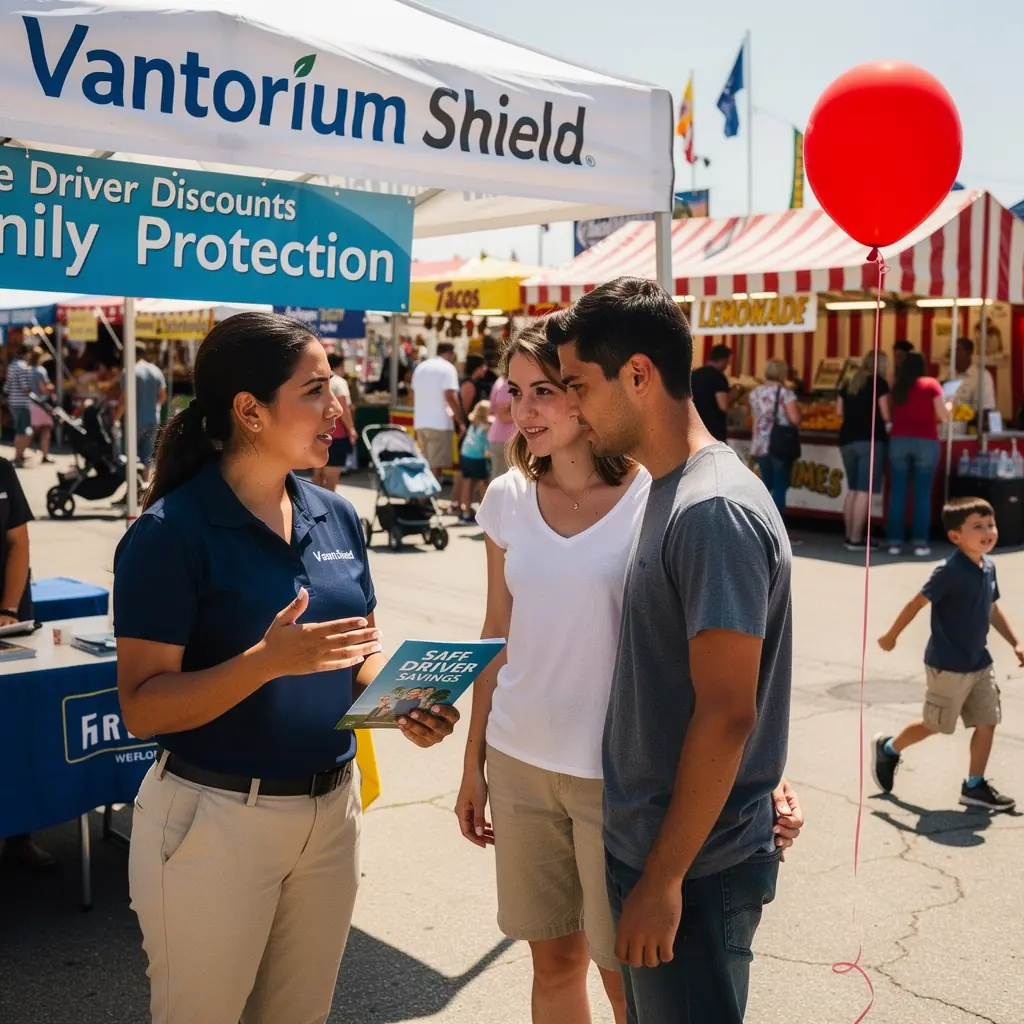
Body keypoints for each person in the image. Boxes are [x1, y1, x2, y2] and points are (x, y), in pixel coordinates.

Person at [112, 312, 459, 1024]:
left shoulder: (335, 514)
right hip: (213, 822)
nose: (338, 406)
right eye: (315, 390)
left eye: (334, 387)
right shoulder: (168, 534)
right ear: (249, 411)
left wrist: (404, 705)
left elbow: (354, 656)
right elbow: (143, 708)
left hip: (331, 815)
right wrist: (264, 664)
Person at [458, 315, 801, 1024]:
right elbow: (497, 632)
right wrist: (472, 763)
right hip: (521, 760)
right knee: (554, 966)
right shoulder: (506, 499)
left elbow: (714, 670)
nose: (523, 412)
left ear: (590, 396)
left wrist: (764, 775)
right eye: (513, 392)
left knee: (629, 985)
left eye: (550, 389)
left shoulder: (664, 494)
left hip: (616, 780)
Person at [552, 277, 794, 1024]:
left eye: (577, 387)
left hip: (694, 868)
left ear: (637, 375)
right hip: (668, 852)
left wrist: (661, 879)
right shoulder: (674, 487)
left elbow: (727, 713)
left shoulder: (710, 507)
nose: (571, 409)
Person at [875, 496, 1022, 812]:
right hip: (948, 666)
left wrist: (1016, 642)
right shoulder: (949, 571)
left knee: (987, 720)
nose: (988, 531)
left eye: (991, 524)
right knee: (936, 725)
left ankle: (974, 785)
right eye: (978, 526)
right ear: (955, 536)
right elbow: (917, 603)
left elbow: (992, 608)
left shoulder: (988, 565)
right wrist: (891, 636)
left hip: (980, 662)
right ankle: (889, 748)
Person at [0, 454, 54, 872]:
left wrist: (8, 610)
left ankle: (19, 835)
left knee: (16, 727)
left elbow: (19, 543)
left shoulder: (2, 470)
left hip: (10, 618)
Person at [886, 352, 949, 557]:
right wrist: (950, 404)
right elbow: (942, 415)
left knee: (898, 492)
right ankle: (920, 542)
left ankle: (894, 542)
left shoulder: (898, 386)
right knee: (922, 493)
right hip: (926, 440)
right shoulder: (931, 384)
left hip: (898, 440)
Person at [837, 351, 891, 550]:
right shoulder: (880, 383)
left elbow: (838, 412)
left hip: (846, 439)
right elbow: (885, 414)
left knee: (853, 490)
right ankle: (856, 539)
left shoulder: (848, 382)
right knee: (864, 490)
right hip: (870, 439)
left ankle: (849, 536)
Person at [748, 360, 802, 532]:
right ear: (782, 373)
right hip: (780, 443)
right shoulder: (786, 393)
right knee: (780, 485)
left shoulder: (755, 393)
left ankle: (761, 526)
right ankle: (777, 531)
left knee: (766, 486)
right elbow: (794, 419)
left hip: (760, 443)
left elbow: (754, 419)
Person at [411, 341, 464, 485]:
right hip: (439, 423)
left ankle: (421, 497)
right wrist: (460, 421)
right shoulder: (448, 368)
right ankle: (427, 499)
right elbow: (450, 396)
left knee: (426, 463)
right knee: (436, 466)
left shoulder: (421, 367)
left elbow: (413, 394)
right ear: (450, 353)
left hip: (421, 423)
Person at [120, 345, 167, 481]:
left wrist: (116, 419)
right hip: (152, 418)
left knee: (129, 456)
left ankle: (131, 490)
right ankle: (144, 490)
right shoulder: (156, 371)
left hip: (134, 421)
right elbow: (162, 397)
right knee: (147, 457)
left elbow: (125, 399)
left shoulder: (130, 371)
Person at [312, 353, 357, 492]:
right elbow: (344, 409)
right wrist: (351, 430)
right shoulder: (339, 382)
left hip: (317, 431)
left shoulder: (316, 380)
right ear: (340, 366)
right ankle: (328, 510)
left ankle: (312, 507)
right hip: (336, 434)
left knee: (317, 475)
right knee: (331, 478)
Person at [451, 399, 492, 522]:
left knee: (467, 482)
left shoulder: (473, 424)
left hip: (465, 455)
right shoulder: (486, 428)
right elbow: (487, 450)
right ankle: (484, 512)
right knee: (484, 483)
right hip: (477, 458)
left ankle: (466, 511)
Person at [690, 344, 737, 442]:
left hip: (695, 429)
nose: (727, 365)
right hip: (713, 431)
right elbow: (723, 406)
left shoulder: (694, 375)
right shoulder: (718, 376)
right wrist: (734, 395)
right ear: (723, 360)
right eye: (728, 362)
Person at [3, 343, 35, 467]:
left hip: (13, 401)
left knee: (19, 429)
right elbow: (25, 387)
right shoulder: (23, 367)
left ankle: (20, 454)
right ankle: (18, 456)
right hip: (22, 402)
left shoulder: (11, 366)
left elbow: (7, 386)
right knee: (22, 430)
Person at [949, 337, 996, 419]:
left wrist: (964, 416)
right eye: (951, 351)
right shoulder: (946, 375)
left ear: (968, 353)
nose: (953, 354)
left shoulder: (982, 377)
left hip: (970, 427)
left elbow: (986, 410)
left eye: (957, 350)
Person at [27, 347, 55, 464]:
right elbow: (43, 388)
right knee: (45, 430)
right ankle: (45, 454)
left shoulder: (27, 369)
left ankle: (23, 450)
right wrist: (51, 388)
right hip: (41, 403)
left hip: (30, 403)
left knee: (32, 429)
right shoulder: (40, 371)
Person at [486, 373, 516, 479]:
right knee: (501, 481)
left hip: (504, 440)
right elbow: (503, 416)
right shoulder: (505, 384)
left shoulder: (504, 381)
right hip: (503, 441)